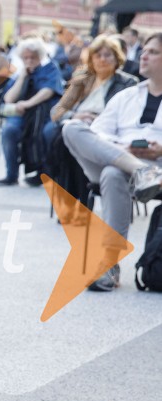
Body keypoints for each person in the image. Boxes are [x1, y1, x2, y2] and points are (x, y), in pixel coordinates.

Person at [63, 32, 162, 292]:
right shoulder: (127, 96)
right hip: (125, 159)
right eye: (144, 50)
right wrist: (124, 149)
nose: (143, 55)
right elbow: (99, 131)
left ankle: (109, 266)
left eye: (152, 52)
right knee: (72, 127)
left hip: (158, 165)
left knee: (111, 174)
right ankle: (140, 170)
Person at [44, 35, 137, 219]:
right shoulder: (83, 77)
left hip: (105, 132)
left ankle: (79, 204)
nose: (102, 59)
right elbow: (57, 110)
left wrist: (97, 120)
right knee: (63, 140)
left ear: (116, 58)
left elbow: (127, 118)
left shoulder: (127, 82)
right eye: (98, 55)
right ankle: (73, 203)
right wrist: (75, 115)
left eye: (108, 55)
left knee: (75, 144)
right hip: (75, 125)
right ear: (91, 58)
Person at [0, 37, 63, 187]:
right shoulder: (20, 73)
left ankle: (45, 172)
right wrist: (23, 76)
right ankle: (11, 175)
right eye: (26, 57)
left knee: (48, 132)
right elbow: (9, 98)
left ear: (40, 56)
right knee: (9, 130)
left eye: (33, 57)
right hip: (22, 115)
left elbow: (48, 91)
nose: (29, 60)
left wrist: (27, 103)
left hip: (45, 114)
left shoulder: (51, 68)